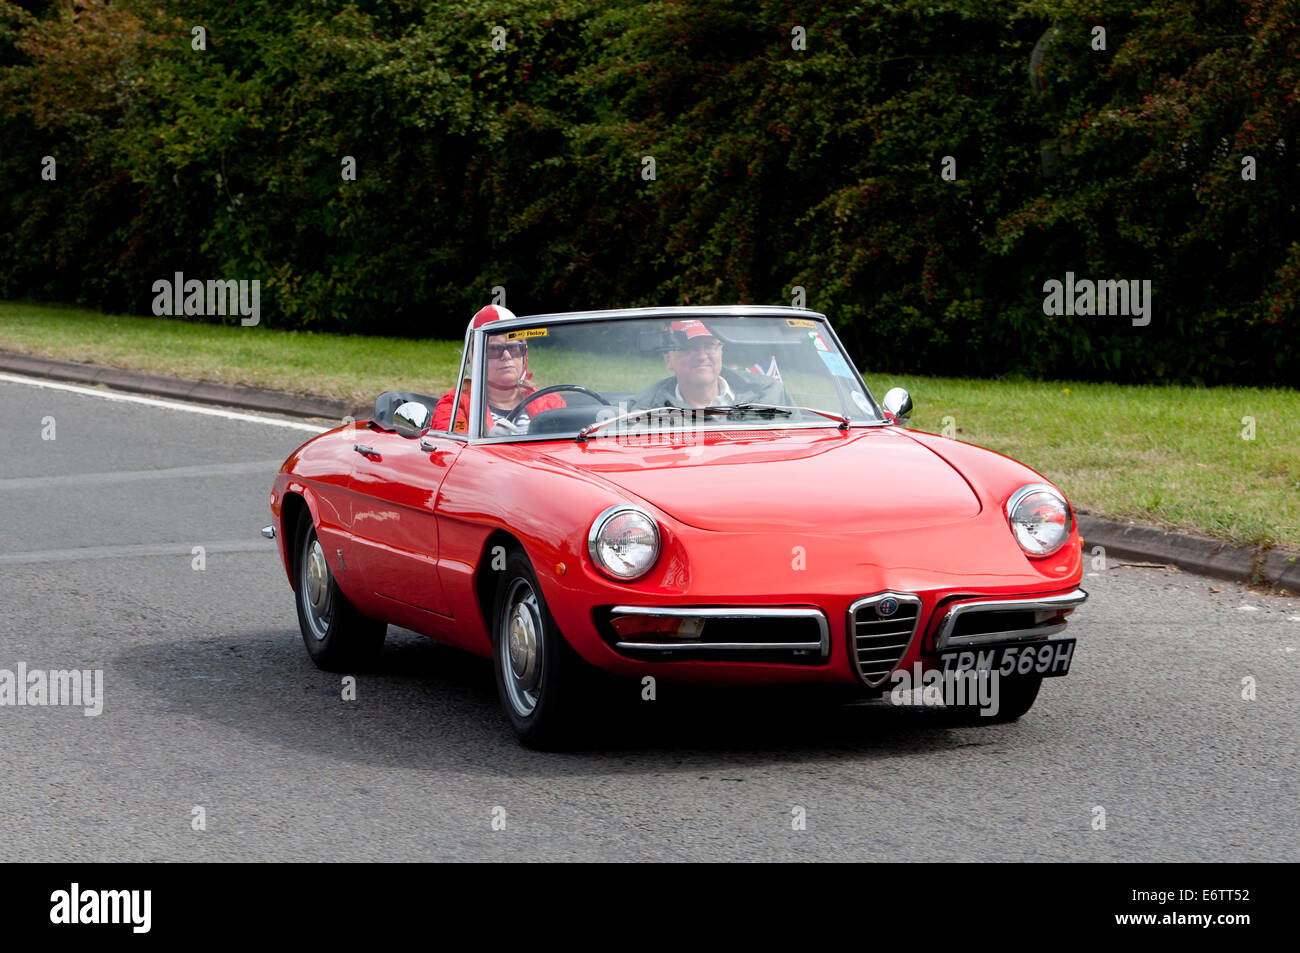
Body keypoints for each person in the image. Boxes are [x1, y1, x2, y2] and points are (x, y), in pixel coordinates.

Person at [432, 305, 566, 434]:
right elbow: (453, 448)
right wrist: (488, 443)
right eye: (494, 349)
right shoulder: (454, 406)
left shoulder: (551, 403)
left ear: (524, 354)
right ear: (471, 358)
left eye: (514, 347)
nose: (506, 356)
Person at [629, 319, 789, 410]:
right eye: (688, 347)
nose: (701, 356)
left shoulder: (769, 394)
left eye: (710, 345)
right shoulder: (644, 410)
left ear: (721, 351)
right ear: (668, 359)